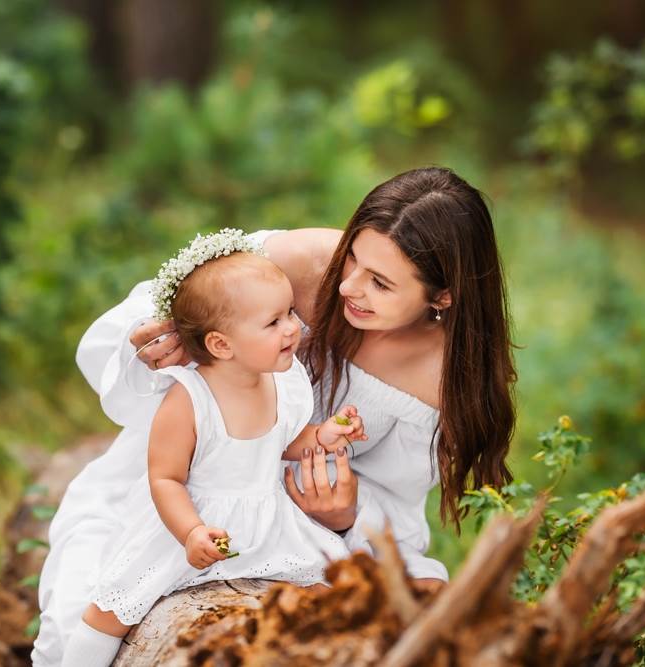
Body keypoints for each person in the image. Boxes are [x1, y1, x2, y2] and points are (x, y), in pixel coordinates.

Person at [33, 167, 516, 665]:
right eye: (352, 256)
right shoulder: (297, 265)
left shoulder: (442, 375)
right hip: (182, 482)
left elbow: (397, 504)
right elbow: (133, 333)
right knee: (81, 609)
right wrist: (153, 341)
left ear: (443, 296)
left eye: (380, 283)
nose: (349, 286)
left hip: (293, 525)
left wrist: (347, 515)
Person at [52, 230, 365, 666]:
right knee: (112, 607)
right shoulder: (189, 398)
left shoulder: (283, 382)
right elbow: (166, 478)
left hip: (265, 516)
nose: (294, 327)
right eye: (274, 322)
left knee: (334, 580)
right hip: (193, 521)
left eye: (290, 312)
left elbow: (281, 442)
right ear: (221, 344)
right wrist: (190, 532)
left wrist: (326, 434)